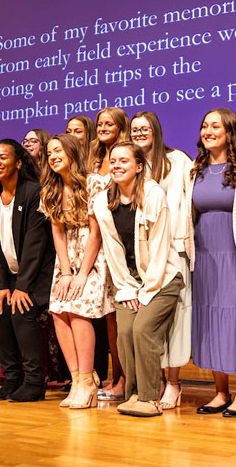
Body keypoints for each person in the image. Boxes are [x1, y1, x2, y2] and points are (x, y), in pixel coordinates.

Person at [92, 142, 183, 417]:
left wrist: (147, 291)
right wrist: (126, 288)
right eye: (113, 161)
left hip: (162, 280)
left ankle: (149, 397)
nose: (117, 166)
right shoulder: (101, 200)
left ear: (139, 167)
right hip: (128, 283)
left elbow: (158, 249)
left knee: (143, 329)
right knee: (125, 333)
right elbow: (112, 250)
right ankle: (132, 394)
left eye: (124, 161)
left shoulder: (153, 194)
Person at [185, 108, 236, 417]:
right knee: (212, 318)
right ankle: (220, 392)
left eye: (214, 126)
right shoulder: (197, 168)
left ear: (229, 131)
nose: (207, 131)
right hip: (204, 256)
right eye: (204, 125)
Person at [40, 134, 114, 408]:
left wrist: (82, 273)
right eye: (49, 152)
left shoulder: (93, 182)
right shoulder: (50, 188)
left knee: (79, 311)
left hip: (92, 256)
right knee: (59, 312)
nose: (52, 155)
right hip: (67, 259)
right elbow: (57, 232)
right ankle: (78, 380)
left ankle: (87, 379)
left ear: (71, 152)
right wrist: (67, 272)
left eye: (58, 150)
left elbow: (96, 232)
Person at [0, 139, 56, 402]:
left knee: (21, 312)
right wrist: (0, 286)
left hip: (37, 275)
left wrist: (21, 288)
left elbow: (36, 245)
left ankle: (35, 383)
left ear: (19, 162)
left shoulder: (33, 192)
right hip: (9, 274)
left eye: (3, 158)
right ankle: (12, 380)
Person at [130, 111, 193, 409]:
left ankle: (174, 383)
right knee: (149, 323)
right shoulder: (132, 166)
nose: (140, 133)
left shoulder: (178, 160)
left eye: (144, 128)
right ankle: (150, 383)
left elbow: (195, 198)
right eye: (134, 129)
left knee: (176, 319)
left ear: (155, 130)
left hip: (175, 252)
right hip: (144, 257)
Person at [90, 107, 130, 399]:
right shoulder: (93, 157)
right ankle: (115, 377)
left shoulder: (125, 155)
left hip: (116, 238)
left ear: (120, 127)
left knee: (118, 315)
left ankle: (125, 377)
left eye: (109, 123)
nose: (103, 127)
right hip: (94, 239)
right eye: (100, 123)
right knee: (107, 317)